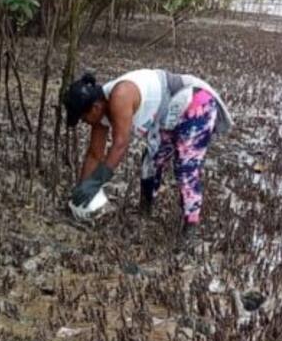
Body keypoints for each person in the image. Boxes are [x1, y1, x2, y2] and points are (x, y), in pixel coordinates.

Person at [63, 68, 232, 240]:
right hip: (166, 116)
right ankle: (145, 211)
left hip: (193, 102)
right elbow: (94, 154)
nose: (84, 122)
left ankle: (191, 227)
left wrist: (96, 182)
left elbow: (120, 144)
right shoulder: (99, 111)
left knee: (185, 168)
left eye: (83, 118)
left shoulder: (120, 96)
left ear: (95, 107)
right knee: (150, 163)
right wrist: (82, 189)